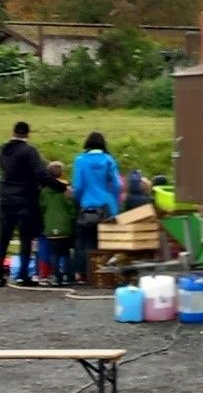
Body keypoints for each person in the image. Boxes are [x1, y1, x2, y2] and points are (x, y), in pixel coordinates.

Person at [0, 122, 67, 287]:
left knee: (3, 239)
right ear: (28, 134)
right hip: (25, 200)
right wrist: (62, 187)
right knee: (25, 240)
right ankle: (23, 276)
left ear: (13, 132)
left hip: (6, 198)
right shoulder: (29, 152)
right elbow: (41, 174)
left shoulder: (3, 150)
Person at [72, 132, 122, 284]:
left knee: (84, 241)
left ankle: (82, 274)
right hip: (107, 207)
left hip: (87, 206)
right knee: (105, 241)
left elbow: (78, 186)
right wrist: (111, 199)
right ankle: (103, 274)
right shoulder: (109, 160)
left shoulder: (80, 161)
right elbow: (117, 185)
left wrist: (79, 199)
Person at [39, 161, 77, 287]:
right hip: (65, 226)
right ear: (62, 173)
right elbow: (71, 207)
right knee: (65, 253)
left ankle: (56, 277)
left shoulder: (44, 192)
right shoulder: (66, 189)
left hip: (50, 227)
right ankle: (67, 276)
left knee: (53, 254)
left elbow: (42, 207)